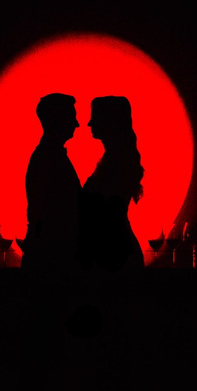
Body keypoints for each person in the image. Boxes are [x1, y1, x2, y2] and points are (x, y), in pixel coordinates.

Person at [78, 96, 145, 272]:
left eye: (96, 117)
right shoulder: (116, 160)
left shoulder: (115, 164)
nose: (89, 123)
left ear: (111, 121)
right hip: (117, 253)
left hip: (115, 257)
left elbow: (102, 214)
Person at [21, 94, 84, 273]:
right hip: (52, 259)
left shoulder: (47, 156)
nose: (77, 124)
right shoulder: (49, 159)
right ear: (57, 120)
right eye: (72, 117)